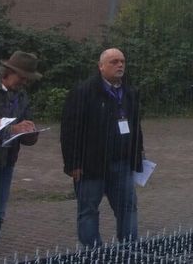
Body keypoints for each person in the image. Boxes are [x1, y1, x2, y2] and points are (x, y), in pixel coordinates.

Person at [60, 48, 144, 247]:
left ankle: (129, 250)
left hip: (122, 163)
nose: (120, 65)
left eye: (122, 61)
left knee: (128, 208)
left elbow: (136, 126)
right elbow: (70, 130)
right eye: (114, 62)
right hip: (91, 165)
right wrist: (73, 164)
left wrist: (137, 156)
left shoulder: (129, 92)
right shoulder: (83, 91)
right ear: (101, 66)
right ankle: (94, 254)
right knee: (88, 210)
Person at [0, 52, 42, 262]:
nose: (25, 82)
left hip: (5, 164)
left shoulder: (22, 96)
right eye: (23, 77)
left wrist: (31, 133)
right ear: (9, 72)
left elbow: (24, 130)